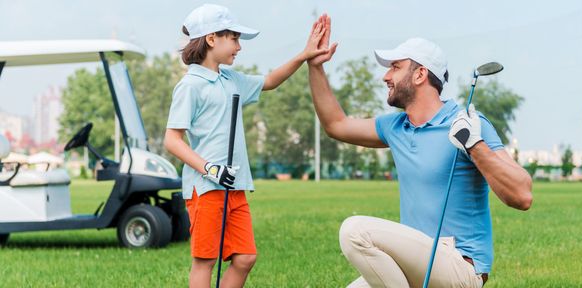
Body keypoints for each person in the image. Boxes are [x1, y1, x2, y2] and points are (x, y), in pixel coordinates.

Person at [307, 16, 533, 288]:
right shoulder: (395, 127)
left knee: (355, 231)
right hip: (417, 263)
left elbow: (522, 195)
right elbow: (336, 125)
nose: (386, 76)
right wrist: (316, 66)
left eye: (395, 67)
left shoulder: (469, 124)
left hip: (460, 267)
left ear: (419, 74)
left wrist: (474, 144)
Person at [163, 4, 329, 288]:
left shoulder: (232, 79)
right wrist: (210, 169)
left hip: (235, 185)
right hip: (205, 187)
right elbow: (172, 140)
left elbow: (270, 80)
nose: (239, 47)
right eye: (234, 39)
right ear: (212, 38)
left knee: (245, 257)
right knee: (205, 260)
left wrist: (304, 55)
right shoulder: (190, 86)